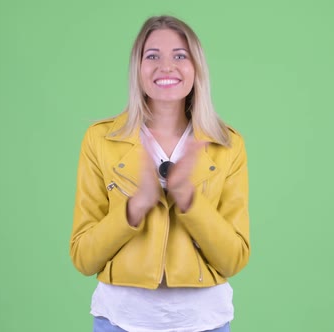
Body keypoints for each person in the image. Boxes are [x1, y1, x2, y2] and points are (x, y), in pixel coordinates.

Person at [70, 15, 250, 332]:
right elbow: (84, 258)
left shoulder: (227, 145)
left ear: (197, 67)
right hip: (118, 321)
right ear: (137, 69)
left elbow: (233, 259)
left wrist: (189, 201)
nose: (166, 66)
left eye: (180, 55)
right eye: (152, 55)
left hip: (204, 323)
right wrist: (134, 208)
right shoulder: (100, 140)